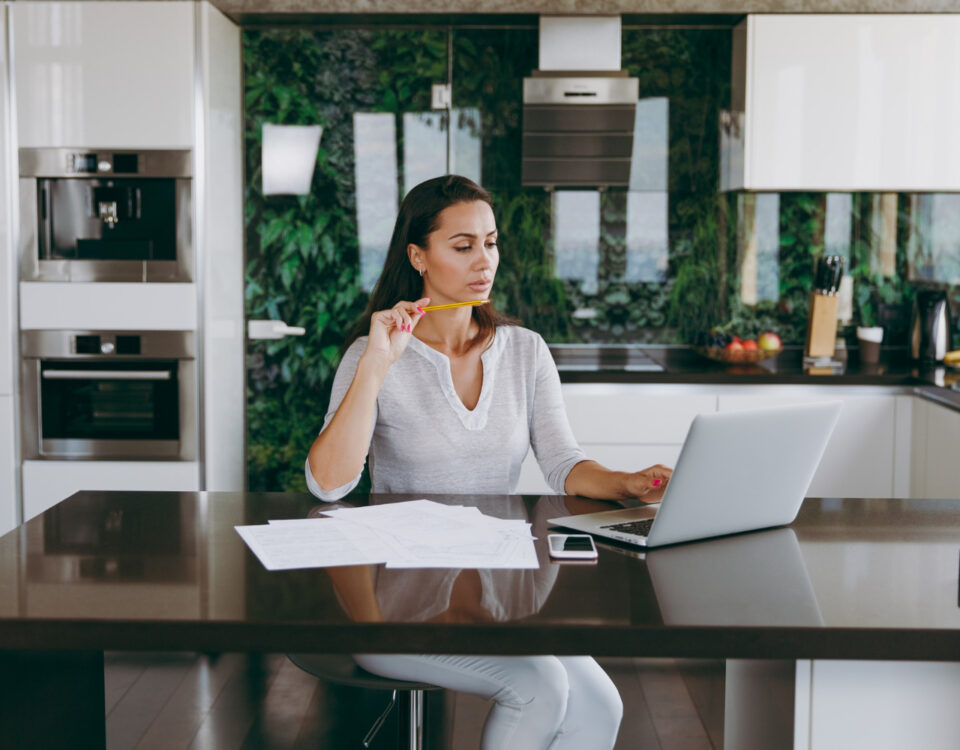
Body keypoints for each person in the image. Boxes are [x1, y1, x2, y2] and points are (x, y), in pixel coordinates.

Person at [305, 174, 672, 750]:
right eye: (463, 246)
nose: (485, 261)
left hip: (502, 592)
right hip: (392, 604)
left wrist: (627, 482)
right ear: (417, 257)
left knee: (602, 704)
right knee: (541, 686)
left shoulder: (526, 350)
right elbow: (328, 485)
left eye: (491, 242)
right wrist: (377, 365)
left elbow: (563, 462)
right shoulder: (372, 354)